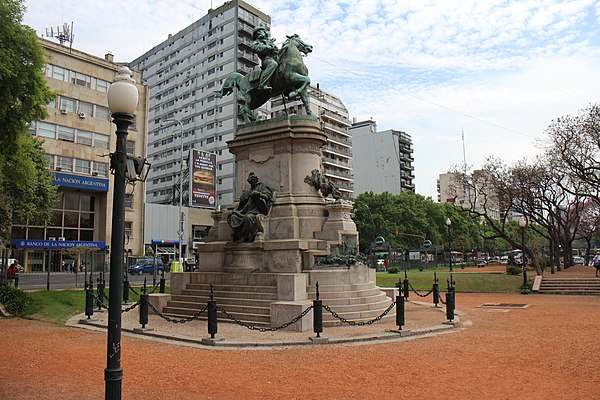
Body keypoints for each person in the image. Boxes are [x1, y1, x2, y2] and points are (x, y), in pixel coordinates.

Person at [227, 172, 274, 243]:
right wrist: (236, 210)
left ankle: (244, 236)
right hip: (245, 211)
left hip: (255, 212)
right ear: (249, 181)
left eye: (254, 179)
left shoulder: (261, 187)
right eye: (251, 180)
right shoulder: (246, 193)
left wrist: (258, 194)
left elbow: (268, 196)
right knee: (233, 217)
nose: (253, 181)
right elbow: (240, 206)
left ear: (257, 180)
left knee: (248, 218)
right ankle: (237, 235)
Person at [250, 26, 279, 92]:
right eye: (260, 31)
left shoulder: (269, 42)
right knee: (273, 64)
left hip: (276, 58)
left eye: (263, 31)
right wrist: (268, 47)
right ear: (257, 34)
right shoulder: (256, 42)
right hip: (267, 60)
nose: (263, 32)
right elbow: (254, 48)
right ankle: (263, 84)